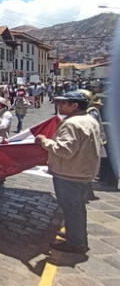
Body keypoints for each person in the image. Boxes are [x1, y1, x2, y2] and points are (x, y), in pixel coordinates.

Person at [35, 91, 103, 254]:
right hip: (82, 171)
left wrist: (45, 141)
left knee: (72, 208)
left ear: (74, 105)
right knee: (76, 208)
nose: (59, 106)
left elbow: (65, 150)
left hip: (70, 173)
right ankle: (76, 235)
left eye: (63, 103)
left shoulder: (72, 124)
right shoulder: (89, 119)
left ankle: (76, 242)